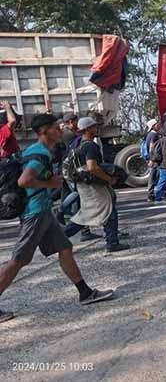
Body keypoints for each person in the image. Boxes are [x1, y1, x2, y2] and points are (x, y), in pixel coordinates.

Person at [0, 114, 115, 323]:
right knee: (18, 260)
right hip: (34, 213)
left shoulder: (38, 151)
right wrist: (52, 183)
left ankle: (85, 292)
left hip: (43, 211)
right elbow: (24, 181)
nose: (60, 130)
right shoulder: (40, 152)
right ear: (44, 131)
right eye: (55, 128)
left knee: (65, 249)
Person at [63, 117, 130, 253]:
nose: (97, 128)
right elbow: (92, 167)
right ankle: (112, 243)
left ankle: (59, 238)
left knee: (89, 214)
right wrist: (109, 179)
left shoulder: (79, 144)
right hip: (93, 186)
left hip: (84, 184)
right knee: (106, 211)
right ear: (87, 129)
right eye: (94, 127)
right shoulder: (89, 145)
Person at [145, 118, 163, 202]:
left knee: (155, 177)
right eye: (156, 124)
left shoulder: (149, 134)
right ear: (153, 126)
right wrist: (152, 159)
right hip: (155, 160)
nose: (158, 125)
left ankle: (153, 194)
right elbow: (152, 147)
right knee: (155, 177)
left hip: (153, 159)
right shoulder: (153, 135)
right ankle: (152, 194)